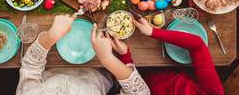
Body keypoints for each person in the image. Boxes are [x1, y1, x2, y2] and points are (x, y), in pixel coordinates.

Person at [16, 14, 150, 95]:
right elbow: (140, 93)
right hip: (102, 72)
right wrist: (108, 59)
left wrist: (51, 36)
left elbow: (30, 67)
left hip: (53, 65)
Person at [115, 17, 224, 95]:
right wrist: (153, 32)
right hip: (165, 72)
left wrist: (125, 57)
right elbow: (198, 45)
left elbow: (137, 90)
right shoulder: (214, 93)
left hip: (138, 81)